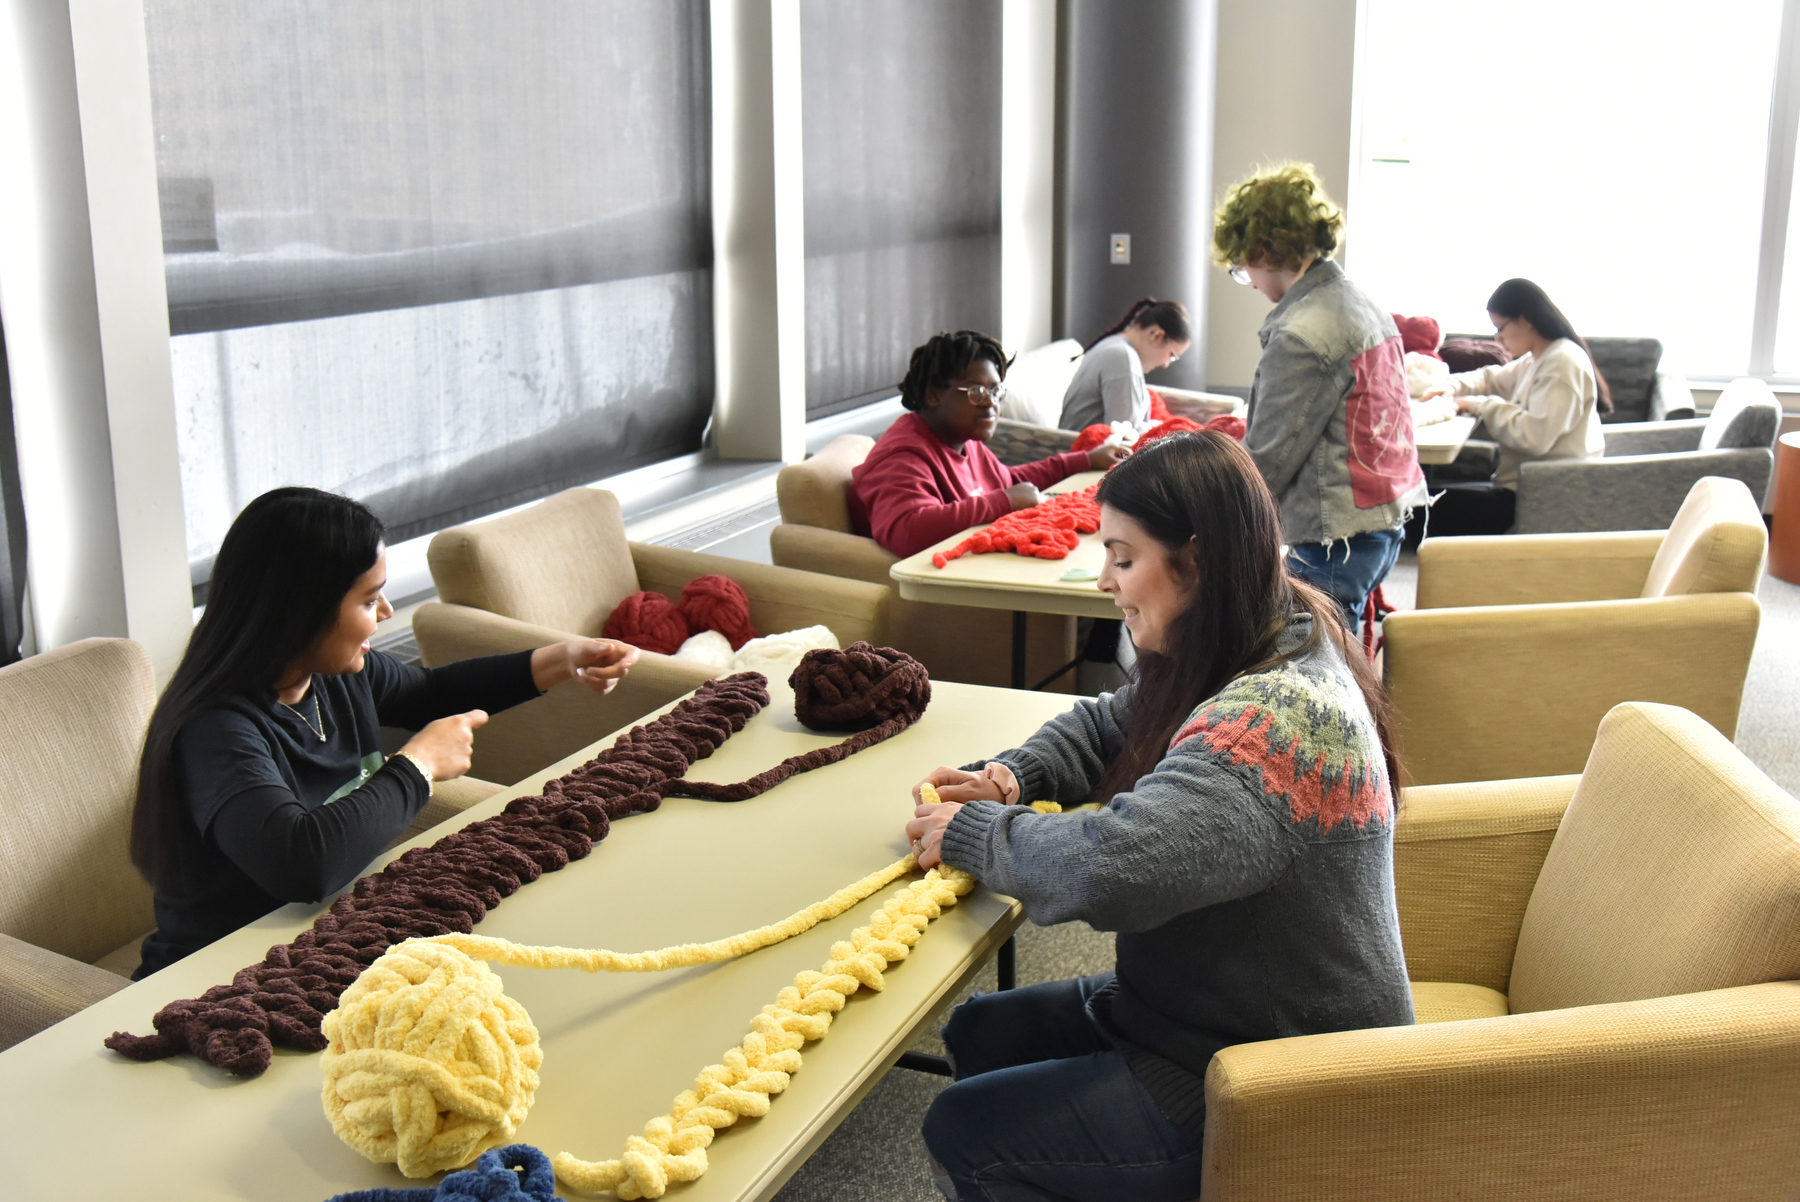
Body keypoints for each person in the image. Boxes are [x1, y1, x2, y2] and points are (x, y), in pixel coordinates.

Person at [903, 431, 1412, 1202]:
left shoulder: (1275, 721)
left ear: (1196, 562)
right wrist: (1010, 777)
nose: (1104, 580)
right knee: (979, 1032)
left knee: (962, 1131)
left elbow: (1115, 868)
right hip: (1198, 1014)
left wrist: (973, 833)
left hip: (1273, 1075)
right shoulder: (1257, 633)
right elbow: (1112, 720)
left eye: (1123, 557)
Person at [128, 487, 641, 977]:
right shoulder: (216, 730)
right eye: (370, 599)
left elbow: (432, 693)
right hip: (219, 980)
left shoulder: (330, 677)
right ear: (301, 611)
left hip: (324, 943)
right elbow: (303, 863)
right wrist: (416, 767)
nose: (388, 612)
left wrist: (563, 658)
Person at [1213, 163, 1425, 631]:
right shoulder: (1360, 302)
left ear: (1262, 249)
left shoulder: (1302, 334)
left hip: (1336, 537)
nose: (1247, 280)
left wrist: (1204, 522)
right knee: (1340, 649)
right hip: (1384, 516)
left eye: (1242, 266)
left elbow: (1265, 463)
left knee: (1316, 663)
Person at [850, 330, 1129, 559]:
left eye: (996, 391)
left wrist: (1087, 459)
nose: (990, 402)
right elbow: (907, 531)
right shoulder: (903, 456)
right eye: (976, 392)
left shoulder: (961, 440)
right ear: (934, 395)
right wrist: (1005, 502)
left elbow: (1009, 481)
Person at [1416, 278, 1609, 536]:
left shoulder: (1561, 364)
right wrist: (1451, 386)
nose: (1498, 338)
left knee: (1411, 508)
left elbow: (1534, 436)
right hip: (1524, 487)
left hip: (1539, 499)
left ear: (1525, 319)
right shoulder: (1539, 358)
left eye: (1501, 328)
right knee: (1417, 497)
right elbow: (1491, 378)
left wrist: (1479, 405)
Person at [1057, 298, 1192, 431]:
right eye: (1172, 355)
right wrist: (1166, 429)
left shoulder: (1116, 347)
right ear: (1156, 335)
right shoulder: (1122, 357)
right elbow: (1125, 434)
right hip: (1086, 449)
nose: (1166, 364)